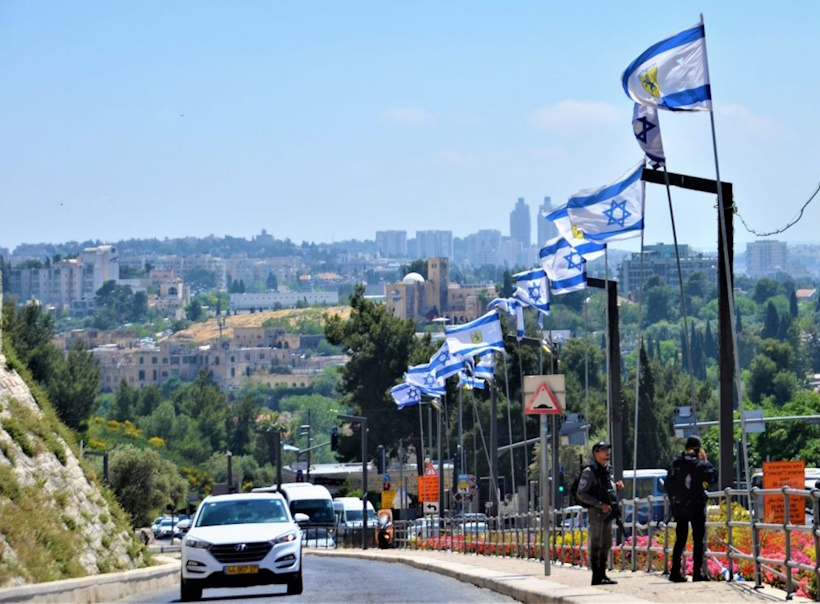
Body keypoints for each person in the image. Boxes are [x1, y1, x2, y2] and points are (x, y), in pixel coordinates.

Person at [667, 435, 718, 583]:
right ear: (698, 448)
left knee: (680, 539)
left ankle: (675, 572)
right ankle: (697, 573)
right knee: (698, 539)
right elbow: (713, 478)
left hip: (679, 505)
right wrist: (705, 461)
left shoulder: (675, 462)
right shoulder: (699, 464)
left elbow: (669, 483)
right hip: (695, 505)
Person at [576, 441, 624, 586]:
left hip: (607, 514)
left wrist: (616, 487)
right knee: (596, 544)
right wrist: (599, 504)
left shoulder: (607, 470)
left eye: (608, 449)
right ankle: (596, 576)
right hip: (596, 514)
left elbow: (607, 490)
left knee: (606, 544)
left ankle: (603, 574)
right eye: (603, 450)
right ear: (596, 453)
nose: (607, 452)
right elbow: (581, 493)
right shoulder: (589, 472)